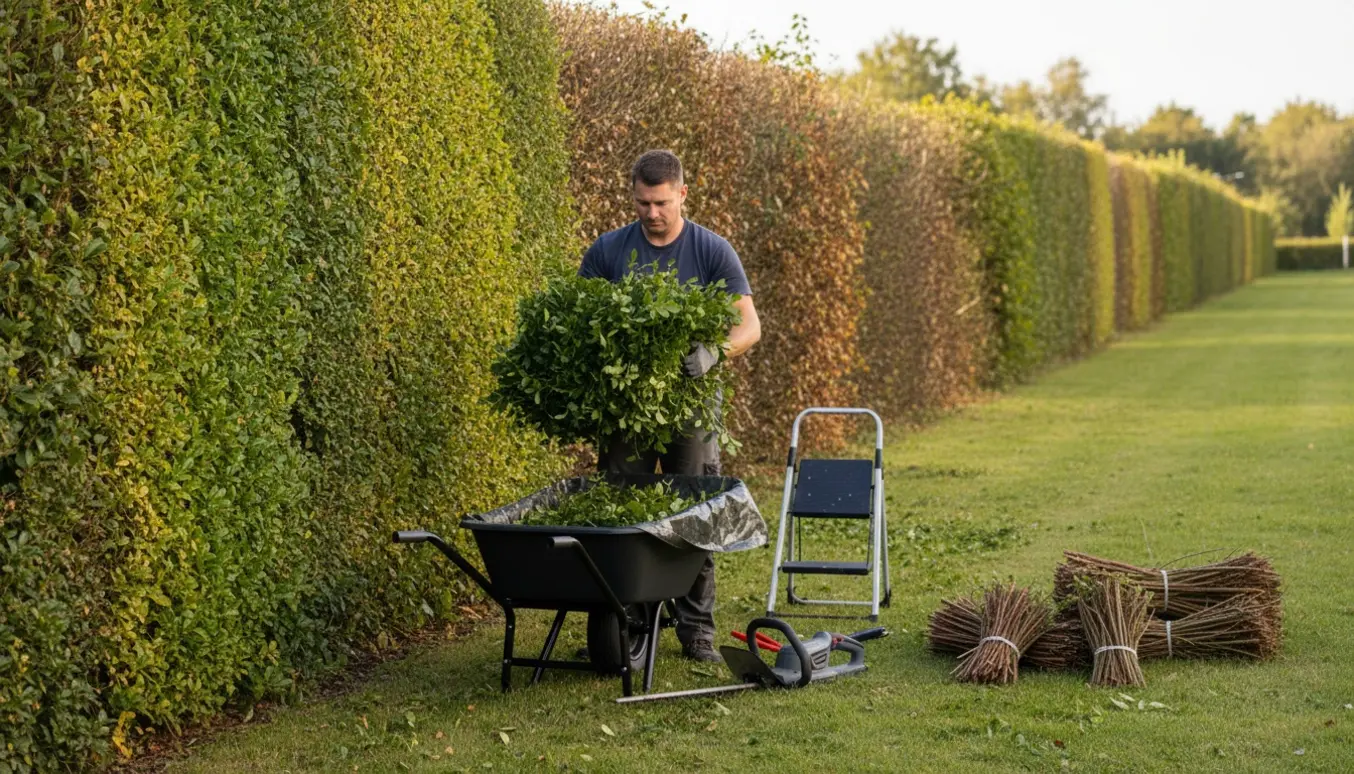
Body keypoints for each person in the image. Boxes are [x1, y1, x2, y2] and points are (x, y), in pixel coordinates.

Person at [579, 149, 761, 662]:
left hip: (693, 408)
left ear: (682, 193)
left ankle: (696, 631)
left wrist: (714, 352)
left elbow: (750, 326)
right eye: (642, 203)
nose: (652, 213)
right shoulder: (609, 251)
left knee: (694, 511)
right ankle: (628, 625)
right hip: (627, 410)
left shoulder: (711, 251)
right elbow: (578, 325)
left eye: (661, 202)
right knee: (620, 512)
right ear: (632, 196)